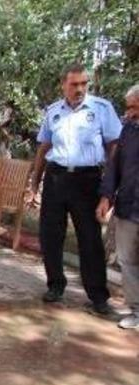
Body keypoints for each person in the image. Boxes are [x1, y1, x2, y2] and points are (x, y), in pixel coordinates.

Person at [25, 64, 122, 315]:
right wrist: (35, 182)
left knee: (89, 238)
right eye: (74, 84)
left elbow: (114, 147)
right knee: (50, 235)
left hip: (87, 180)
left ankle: (98, 296)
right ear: (63, 85)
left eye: (83, 84)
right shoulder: (53, 111)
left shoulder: (101, 109)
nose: (80, 89)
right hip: (56, 177)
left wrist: (109, 187)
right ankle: (55, 284)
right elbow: (43, 148)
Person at [97, 84, 139, 328]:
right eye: (129, 108)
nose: (131, 113)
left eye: (135, 107)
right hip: (128, 208)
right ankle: (136, 311)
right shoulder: (128, 131)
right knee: (128, 261)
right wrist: (106, 197)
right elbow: (115, 167)